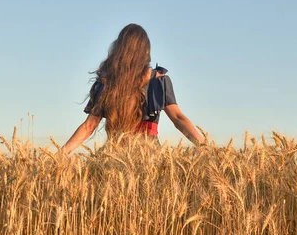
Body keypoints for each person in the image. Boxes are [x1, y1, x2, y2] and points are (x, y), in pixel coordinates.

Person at [61, 24, 205, 153]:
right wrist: (205, 146)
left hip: (117, 157)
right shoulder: (158, 81)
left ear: (118, 50)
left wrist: (62, 153)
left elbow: (89, 126)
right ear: (146, 52)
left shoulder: (107, 82)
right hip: (150, 159)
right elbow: (178, 118)